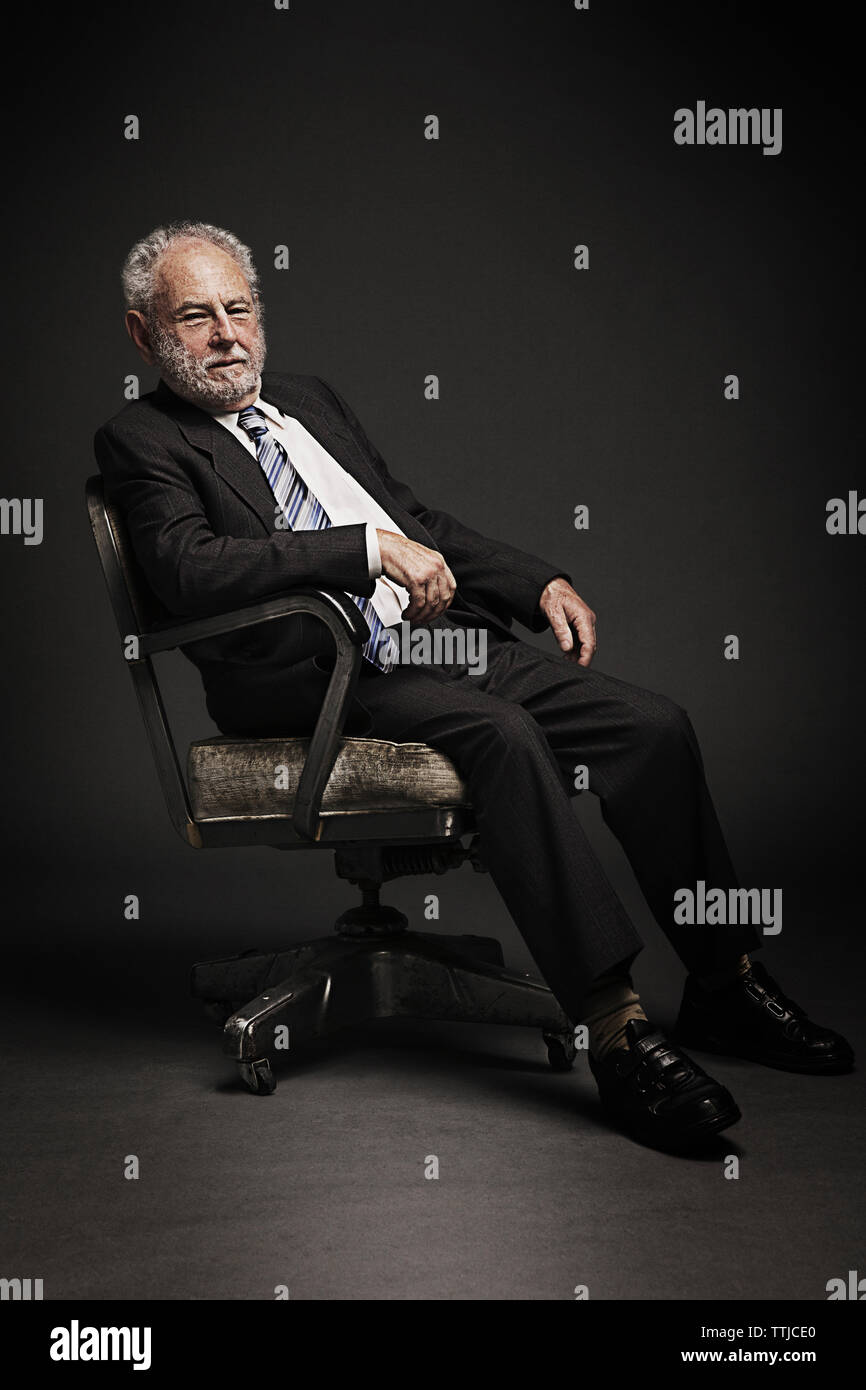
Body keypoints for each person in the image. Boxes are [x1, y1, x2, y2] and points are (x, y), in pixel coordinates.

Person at [95, 221, 854, 1150]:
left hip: (433, 645)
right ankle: (616, 1027)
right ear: (144, 335)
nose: (226, 336)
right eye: (196, 317)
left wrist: (535, 580)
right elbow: (187, 569)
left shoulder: (307, 399)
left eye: (240, 309)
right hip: (320, 676)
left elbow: (414, 516)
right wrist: (363, 551)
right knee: (501, 736)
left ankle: (724, 982)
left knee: (652, 726)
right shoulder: (143, 440)